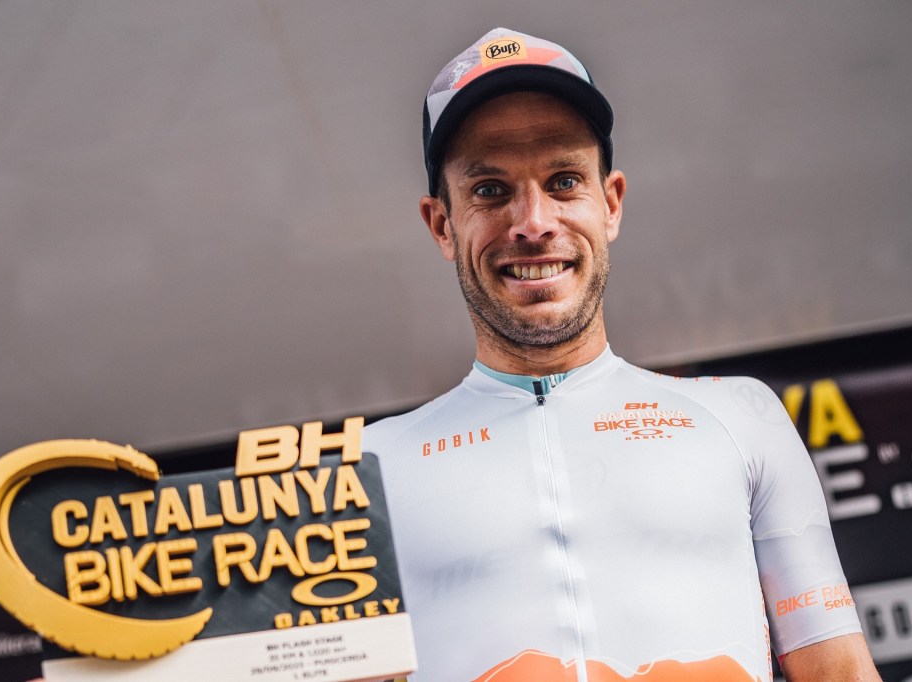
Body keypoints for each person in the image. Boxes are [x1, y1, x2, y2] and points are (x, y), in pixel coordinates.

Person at [363, 28, 881, 682]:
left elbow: (840, 674)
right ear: (442, 224)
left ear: (610, 204)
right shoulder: (368, 469)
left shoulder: (741, 416)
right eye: (490, 190)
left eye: (563, 181)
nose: (532, 222)